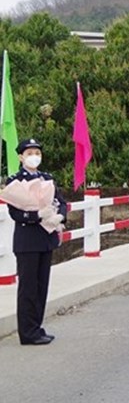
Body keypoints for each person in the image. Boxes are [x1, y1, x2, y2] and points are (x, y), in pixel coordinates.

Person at [7, 139, 66, 345]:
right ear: (21, 157)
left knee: (41, 286)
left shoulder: (46, 178)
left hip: (46, 239)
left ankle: (37, 327)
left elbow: (61, 201)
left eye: (38, 153)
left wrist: (60, 216)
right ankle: (27, 332)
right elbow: (15, 213)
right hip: (27, 241)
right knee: (28, 288)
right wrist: (36, 215)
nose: (34, 157)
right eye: (30, 153)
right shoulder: (15, 181)